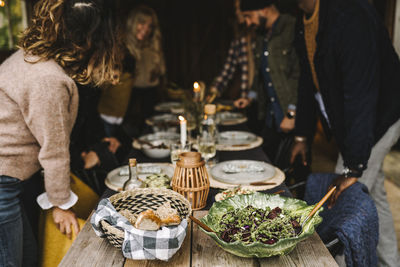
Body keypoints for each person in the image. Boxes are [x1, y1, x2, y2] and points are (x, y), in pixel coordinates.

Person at [0, 0, 123, 265]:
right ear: (90, 41)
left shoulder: (32, 57)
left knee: (29, 258)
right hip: (3, 182)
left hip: (10, 181)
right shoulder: (49, 80)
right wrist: (61, 205)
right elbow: (54, 150)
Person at [291, 0, 400, 266]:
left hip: (379, 117)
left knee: (341, 201)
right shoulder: (304, 19)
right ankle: (391, 262)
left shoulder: (351, 15)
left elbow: (360, 95)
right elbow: (308, 82)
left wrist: (353, 167)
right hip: (360, 119)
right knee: (373, 194)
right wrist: (302, 135)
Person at [233, 0, 300, 169]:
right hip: (270, 117)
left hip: (292, 117)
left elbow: (299, 74)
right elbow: (260, 75)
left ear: (264, 9)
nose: (248, 22)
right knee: (267, 165)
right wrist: (250, 98)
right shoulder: (262, 34)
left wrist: (292, 112)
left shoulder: (291, 27)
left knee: (297, 169)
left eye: (249, 16)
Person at [118, 5, 167, 138]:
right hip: (129, 108)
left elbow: (161, 75)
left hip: (151, 102)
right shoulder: (122, 49)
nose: (146, 29)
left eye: (150, 26)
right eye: (142, 23)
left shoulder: (153, 47)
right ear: (133, 22)